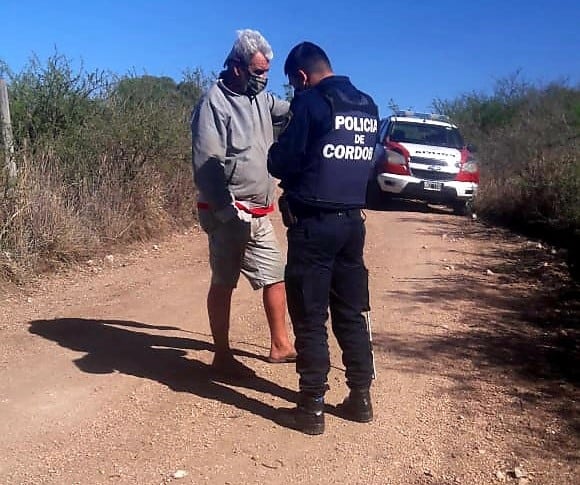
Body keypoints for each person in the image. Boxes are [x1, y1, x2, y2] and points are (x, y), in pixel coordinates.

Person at [268, 42, 379, 434]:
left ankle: (311, 407)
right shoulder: (367, 105)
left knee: (310, 316)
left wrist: (276, 153)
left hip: (314, 225)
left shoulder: (311, 103)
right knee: (351, 311)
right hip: (353, 223)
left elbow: (284, 160)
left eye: (294, 83)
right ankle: (360, 397)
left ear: (301, 76)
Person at [191, 29, 296, 378]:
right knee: (224, 281)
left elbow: (292, 111)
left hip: (260, 211)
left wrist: (321, 99)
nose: (263, 79)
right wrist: (225, 212)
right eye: (257, 72)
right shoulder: (214, 103)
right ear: (237, 67)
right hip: (228, 211)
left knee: (275, 276)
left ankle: (281, 345)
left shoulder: (263, 100)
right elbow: (207, 164)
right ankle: (221, 354)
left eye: (266, 72)